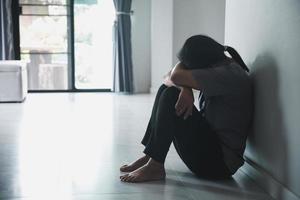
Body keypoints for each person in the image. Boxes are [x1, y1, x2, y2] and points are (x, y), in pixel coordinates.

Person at [119, 35, 253, 183]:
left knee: (170, 95)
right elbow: (168, 77)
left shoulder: (226, 74)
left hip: (219, 164)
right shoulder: (221, 65)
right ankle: (150, 156)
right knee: (165, 89)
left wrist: (183, 84)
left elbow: (175, 75)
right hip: (212, 150)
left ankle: (155, 166)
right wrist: (186, 88)